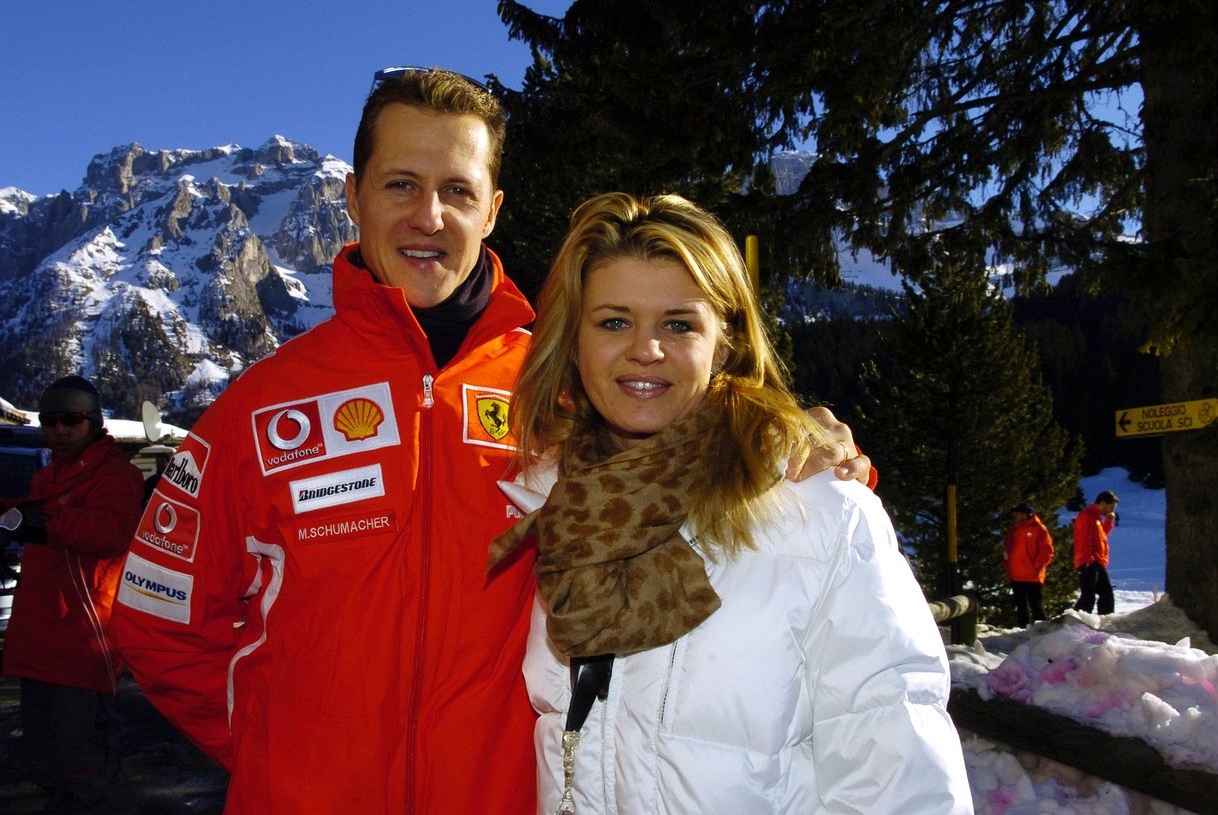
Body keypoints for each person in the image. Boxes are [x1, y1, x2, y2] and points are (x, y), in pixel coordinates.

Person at [109, 69, 871, 815]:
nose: (428, 216)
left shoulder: (565, 388)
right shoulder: (261, 404)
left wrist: (801, 446)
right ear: (353, 196)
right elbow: (158, 621)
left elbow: (696, 444)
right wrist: (278, 754)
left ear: (492, 209)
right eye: (401, 184)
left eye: (457, 190)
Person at [489, 192, 972, 814]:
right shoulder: (553, 507)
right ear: (574, 341)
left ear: (724, 342)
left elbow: (898, 770)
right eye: (613, 322)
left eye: (679, 324)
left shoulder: (818, 510)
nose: (646, 349)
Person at [0, 375, 143, 814]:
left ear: (94, 422)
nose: (60, 430)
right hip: (40, 642)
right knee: (47, 767)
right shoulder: (51, 475)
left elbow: (107, 531)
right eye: (50, 421)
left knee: (87, 770)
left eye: (72, 420)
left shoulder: (117, 476)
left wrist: (35, 524)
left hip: (82, 645)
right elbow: (43, 508)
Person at [1002, 502, 1054, 626]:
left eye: (1017, 513)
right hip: (1016, 574)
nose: (1015, 516)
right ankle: (1023, 631)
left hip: (1032, 575)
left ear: (1024, 515)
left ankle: (1042, 631)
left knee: (1035, 606)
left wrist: (1036, 566)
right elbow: (1008, 549)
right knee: (1021, 607)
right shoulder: (1014, 529)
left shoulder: (1039, 528)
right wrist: (1008, 566)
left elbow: (1047, 552)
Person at [1073, 489, 1119, 614]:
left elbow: (1100, 538)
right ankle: (1075, 620)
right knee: (1090, 596)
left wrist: (1108, 523)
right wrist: (1087, 559)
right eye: (1110, 507)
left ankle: (1105, 619)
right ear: (1102, 503)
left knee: (1104, 594)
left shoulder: (1096, 517)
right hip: (1089, 561)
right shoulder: (1087, 516)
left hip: (1096, 561)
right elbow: (1083, 538)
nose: (1111, 511)